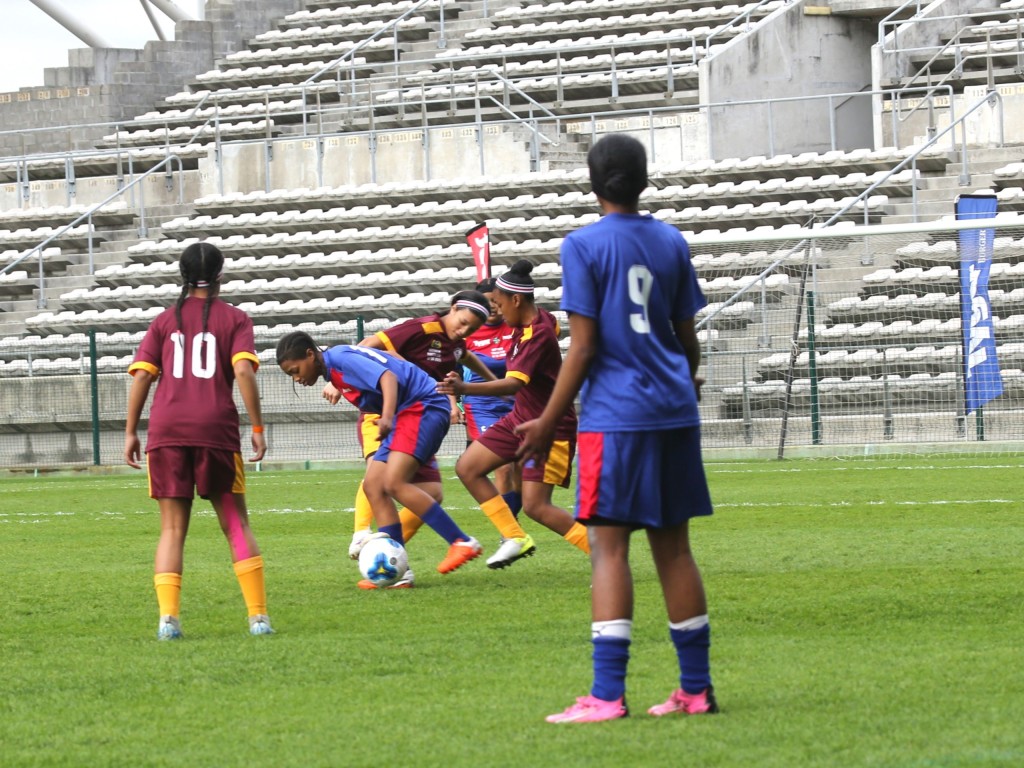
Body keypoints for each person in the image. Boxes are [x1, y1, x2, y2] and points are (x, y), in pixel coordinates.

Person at [516, 133, 717, 723]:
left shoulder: (583, 246)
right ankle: (695, 690)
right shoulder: (670, 240)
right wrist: (685, 379)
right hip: (674, 412)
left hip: (616, 419)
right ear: (645, 179)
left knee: (608, 548)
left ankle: (606, 696)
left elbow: (582, 347)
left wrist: (546, 421)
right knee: (675, 550)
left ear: (592, 181)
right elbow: (687, 340)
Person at [124, 241, 272, 640]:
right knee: (236, 523)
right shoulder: (237, 319)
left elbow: (141, 376)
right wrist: (257, 429)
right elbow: (243, 373)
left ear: (183, 277)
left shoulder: (163, 321)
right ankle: (258, 618)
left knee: (172, 530)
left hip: (167, 431)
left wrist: (130, 431)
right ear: (221, 276)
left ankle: (168, 620)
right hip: (216, 431)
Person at [276, 332, 483, 585]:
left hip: (422, 405)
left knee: (393, 483)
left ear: (310, 354)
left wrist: (385, 416)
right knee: (374, 485)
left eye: (295, 370)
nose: (297, 378)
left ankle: (461, 541)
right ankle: (400, 572)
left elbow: (388, 377)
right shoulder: (334, 367)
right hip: (408, 413)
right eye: (291, 376)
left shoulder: (340, 359)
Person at [438, 260, 590, 569]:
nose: (497, 310)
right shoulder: (537, 321)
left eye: (498, 303)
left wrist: (464, 387)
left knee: (537, 506)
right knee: (468, 467)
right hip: (520, 419)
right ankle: (514, 537)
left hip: (547, 427)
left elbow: (510, 383)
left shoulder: (536, 335)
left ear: (516, 300)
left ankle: (606, 556)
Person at [345, 291, 494, 561]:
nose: (463, 330)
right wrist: (338, 377)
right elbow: (368, 344)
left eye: (471, 328)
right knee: (383, 482)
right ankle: (374, 543)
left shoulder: (454, 344)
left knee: (402, 486)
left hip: (419, 417)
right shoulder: (421, 328)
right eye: (462, 322)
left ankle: (448, 543)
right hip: (396, 413)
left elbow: (467, 356)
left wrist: (494, 383)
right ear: (453, 308)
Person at [461, 277, 521, 517]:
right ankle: (510, 531)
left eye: (497, 301)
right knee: (503, 465)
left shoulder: (517, 326)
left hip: (517, 403)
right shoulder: (468, 332)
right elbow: (448, 367)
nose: (494, 306)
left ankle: (513, 523)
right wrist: (452, 404)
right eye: (488, 302)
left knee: (519, 467)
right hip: (481, 404)